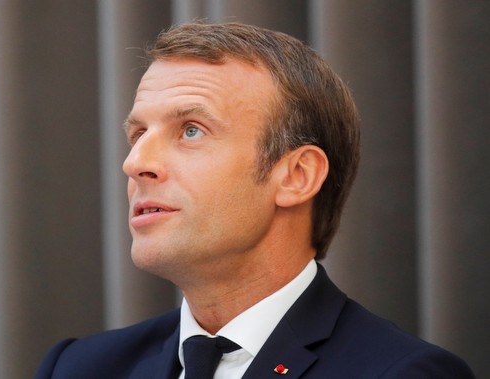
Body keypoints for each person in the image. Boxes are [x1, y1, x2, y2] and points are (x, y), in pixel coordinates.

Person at [35, 22, 475, 378]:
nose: (135, 163)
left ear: (297, 177)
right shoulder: (78, 367)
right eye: (138, 134)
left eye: (191, 130)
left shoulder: (402, 373)